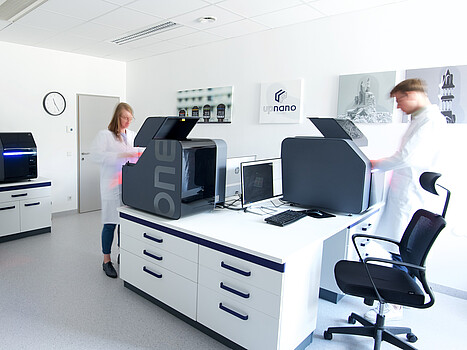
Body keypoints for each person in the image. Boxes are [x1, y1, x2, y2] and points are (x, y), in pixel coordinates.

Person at [364, 78, 447, 322]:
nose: (398, 106)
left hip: (411, 196)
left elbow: (405, 158)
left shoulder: (429, 122)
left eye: (400, 100)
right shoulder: (424, 120)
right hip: (408, 193)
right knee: (400, 249)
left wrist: (372, 164)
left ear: (411, 95)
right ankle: (400, 296)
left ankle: (397, 304)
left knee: (401, 250)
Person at [91, 102, 140, 278]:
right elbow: (96, 156)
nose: (128, 121)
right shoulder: (105, 135)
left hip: (127, 185)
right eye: (124, 117)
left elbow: (137, 152)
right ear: (117, 117)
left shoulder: (133, 135)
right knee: (110, 223)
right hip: (111, 185)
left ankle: (123, 253)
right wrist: (121, 155)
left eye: (130, 118)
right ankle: (106, 260)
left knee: (124, 222)